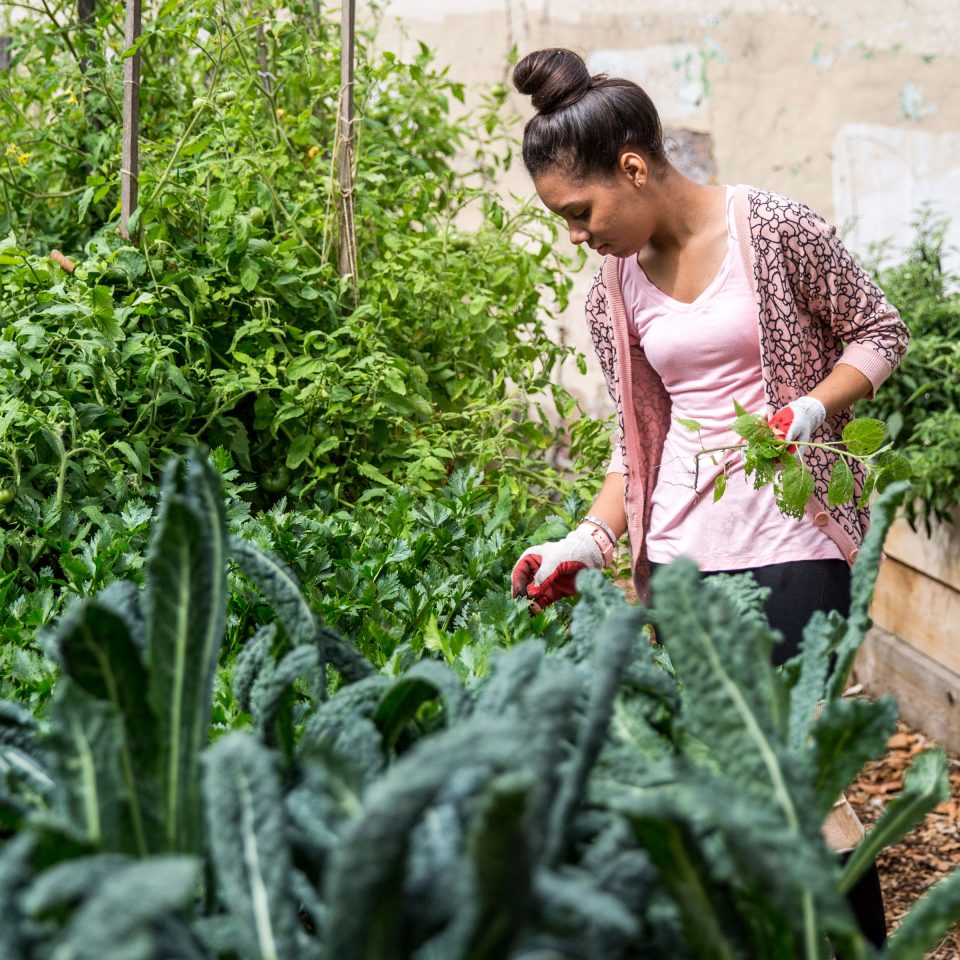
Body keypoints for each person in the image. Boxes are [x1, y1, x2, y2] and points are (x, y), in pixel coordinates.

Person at [508, 47, 909, 947]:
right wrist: (587, 541)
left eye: (580, 212)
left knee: (797, 778)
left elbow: (880, 332)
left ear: (635, 167)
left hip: (795, 540)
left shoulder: (773, 230)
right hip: (681, 567)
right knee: (724, 787)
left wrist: (810, 408)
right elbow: (634, 440)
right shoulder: (612, 284)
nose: (576, 235)